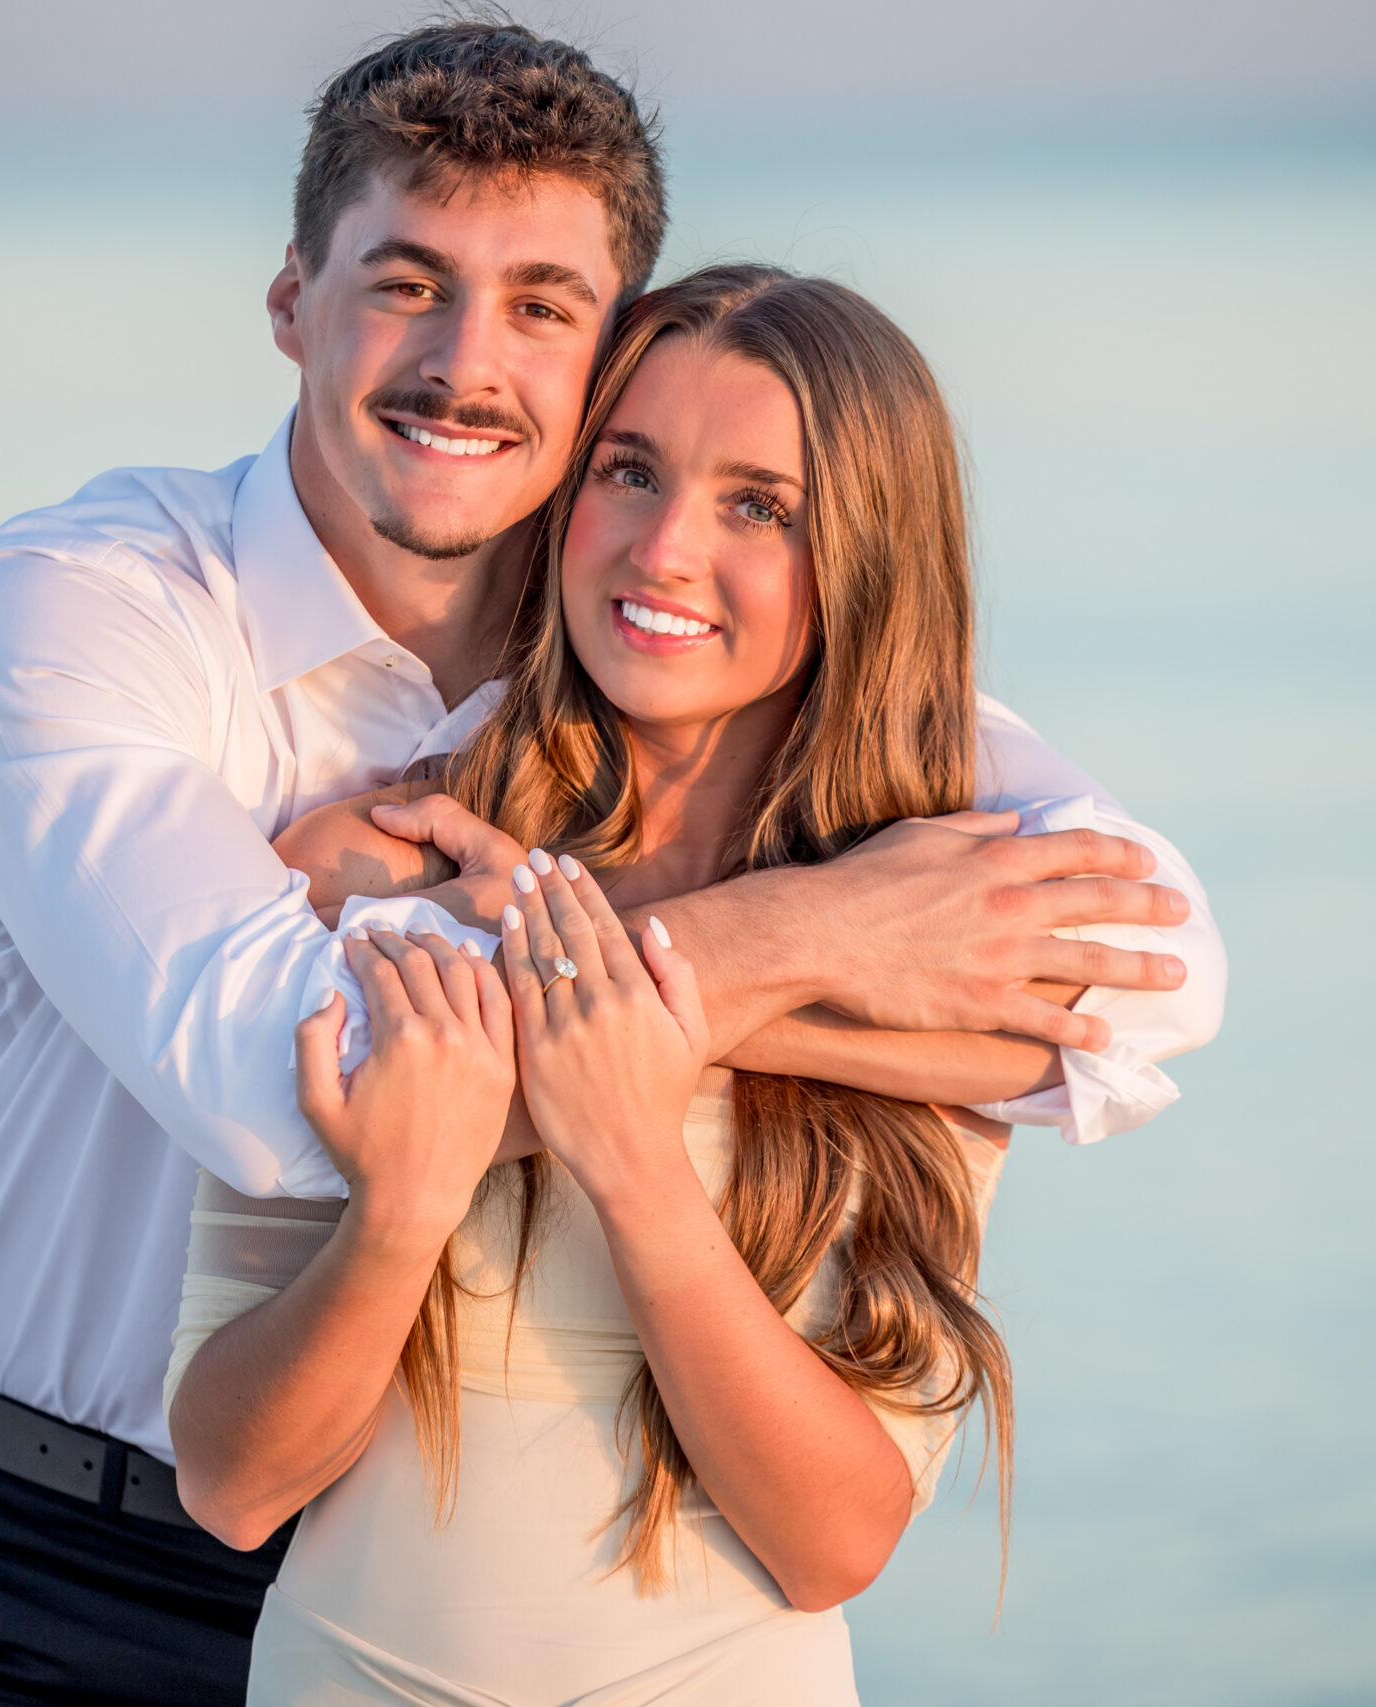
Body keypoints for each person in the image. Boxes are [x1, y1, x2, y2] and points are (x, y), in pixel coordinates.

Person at [0, 19, 1222, 1707]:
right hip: (44, 1560)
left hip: (413, 1574)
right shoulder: (77, 613)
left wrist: (626, 946)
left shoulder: (656, 649)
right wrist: (816, 933)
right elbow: (289, 1088)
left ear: (605, 349)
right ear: (292, 300)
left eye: (543, 308)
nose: (466, 361)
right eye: (407, 281)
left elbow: (1153, 983)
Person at [167, 265, 1080, 1705]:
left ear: (867, 560)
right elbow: (228, 1481)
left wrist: (633, 1158)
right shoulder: (382, 864)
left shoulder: (919, 929)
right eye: (629, 471)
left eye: (759, 507)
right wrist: (399, 1218)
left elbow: (836, 1539)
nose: (663, 550)